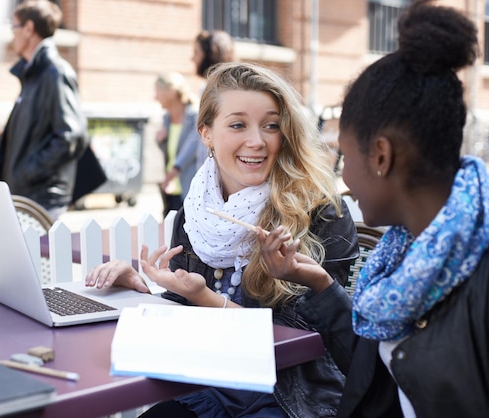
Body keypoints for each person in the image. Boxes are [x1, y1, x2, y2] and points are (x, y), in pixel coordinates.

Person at [86, 62, 359, 417]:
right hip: (211, 385)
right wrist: (141, 292)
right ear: (206, 133)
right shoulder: (198, 208)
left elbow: (306, 343)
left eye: (271, 125)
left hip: (291, 396)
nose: (257, 141)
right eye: (237, 125)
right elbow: (185, 310)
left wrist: (202, 295)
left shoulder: (320, 210)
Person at [263, 1, 489, 416]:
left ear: (381, 157)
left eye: (345, 158)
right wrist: (318, 283)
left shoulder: (487, 280)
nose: (344, 178)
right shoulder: (405, 253)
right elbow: (378, 376)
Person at [0, 0, 88, 220]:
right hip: (27, 197)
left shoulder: (55, 72)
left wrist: (28, 172)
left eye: (14, 27)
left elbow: (71, 136)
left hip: (42, 200)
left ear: (29, 28)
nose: (12, 34)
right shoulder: (33, 74)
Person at [154, 72, 202, 217]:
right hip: (171, 189)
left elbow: (190, 151)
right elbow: (169, 153)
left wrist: (173, 172)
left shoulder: (195, 116)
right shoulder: (166, 119)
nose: (155, 97)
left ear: (172, 92)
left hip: (188, 188)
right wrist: (160, 140)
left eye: (158, 92)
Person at [191, 30, 235, 171]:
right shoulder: (211, 88)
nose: (192, 58)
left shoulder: (217, 91)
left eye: (196, 52)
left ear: (210, 54)